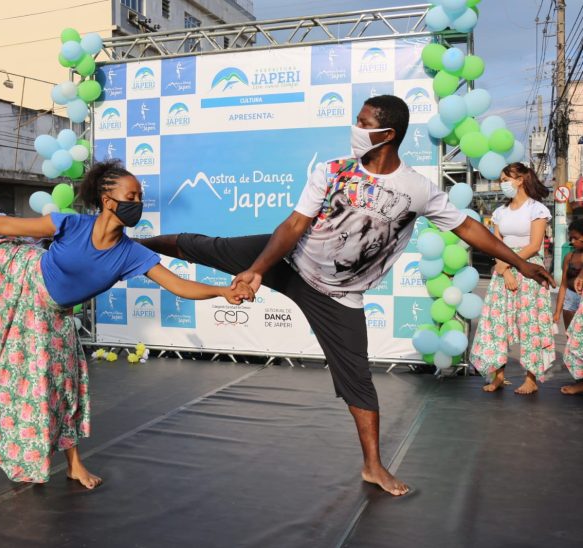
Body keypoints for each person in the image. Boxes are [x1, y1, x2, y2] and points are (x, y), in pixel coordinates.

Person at [140, 95, 555, 496]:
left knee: (358, 381)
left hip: (339, 297)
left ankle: (373, 466)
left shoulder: (418, 189)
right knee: (205, 246)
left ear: (387, 135)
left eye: (363, 123)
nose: (355, 129)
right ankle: (134, 247)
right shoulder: (333, 169)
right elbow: (294, 225)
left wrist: (519, 263)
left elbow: (467, 227)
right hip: (291, 261)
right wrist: (258, 269)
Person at [0, 114, 253, 488]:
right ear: (108, 201)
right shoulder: (71, 224)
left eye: (140, 197)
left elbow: (179, 286)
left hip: (52, 314)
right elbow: (10, 226)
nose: (138, 203)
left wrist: (222, 290)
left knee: (64, 385)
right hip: (21, 277)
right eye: (131, 197)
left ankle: (74, 464)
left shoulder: (131, 254)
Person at [470, 163, 554, 395]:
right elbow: (495, 244)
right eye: (501, 180)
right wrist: (504, 270)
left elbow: (534, 245)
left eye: (505, 179)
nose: (502, 184)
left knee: (530, 323)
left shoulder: (536, 209)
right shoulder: (500, 212)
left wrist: (508, 263)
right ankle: (497, 376)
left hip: (529, 269)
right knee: (496, 323)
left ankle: (531, 379)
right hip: (503, 269)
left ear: (520, 180)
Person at [554, 219, 583, 329]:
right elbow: (563, 285)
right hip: (570, 301)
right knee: (569, 335)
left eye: (576, 238)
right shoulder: (569, 257)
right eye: (571, 238)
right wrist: (557, 311)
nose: (572, 241)